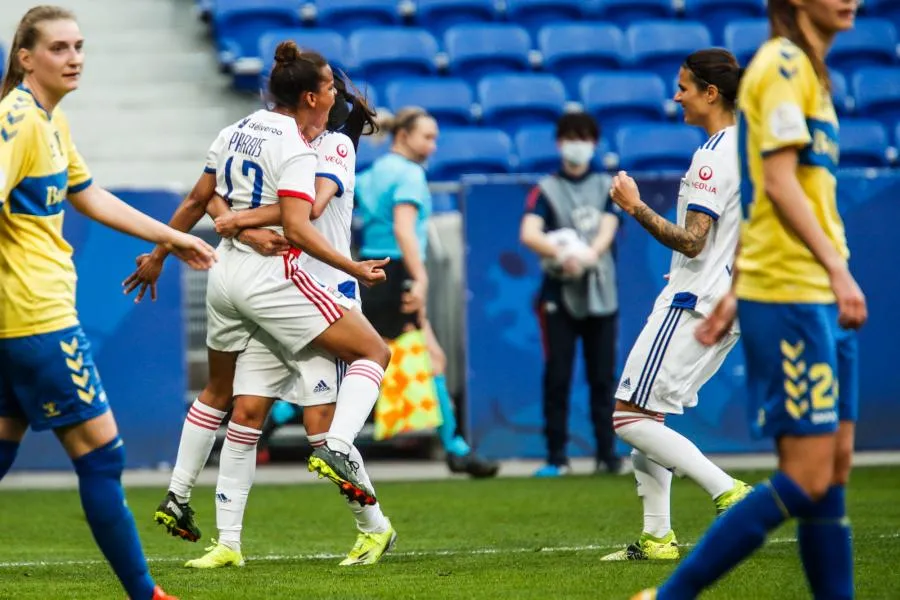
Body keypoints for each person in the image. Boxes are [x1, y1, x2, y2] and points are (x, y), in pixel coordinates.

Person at [123, 49, 395, 565]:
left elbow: (307, 210)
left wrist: (233, 222)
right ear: (310, 96)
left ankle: (373, 526)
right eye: (330, 89)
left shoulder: (334, 146)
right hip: (277, 288)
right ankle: (227, 543)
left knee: (321, 432)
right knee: (246, 411)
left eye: (334, 91)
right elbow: (216, 196)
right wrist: (233, 221)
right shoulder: (279, 138)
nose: (334, 97)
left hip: (323, 290)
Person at [633, 1, 866, 598]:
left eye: (685, 88)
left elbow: (759, 206)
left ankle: (698, 517)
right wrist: (817, 274)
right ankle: (669, 578)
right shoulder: (781, 68)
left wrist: (737, 285)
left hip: (793, 289)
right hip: (791, 291)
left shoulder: (804, 76)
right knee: (811, 474)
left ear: (710, 92)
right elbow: (775, 192)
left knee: (827, 475)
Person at [0, 7, 218, 600]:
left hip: (16, 326)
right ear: (26, 57)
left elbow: (89, 194)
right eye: (59, 48)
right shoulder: (16, 121)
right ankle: (146, 594)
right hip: (38, 321)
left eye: (79, 46)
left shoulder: (50, 121)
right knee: (102, 457)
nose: (75, 57)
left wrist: (170, 237)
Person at [600, 49, 752, 562]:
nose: (675, 96)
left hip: (693, 301)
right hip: (722, 297)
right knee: (649, 417)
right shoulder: (748, 149)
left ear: (711, 93)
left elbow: (692, 241)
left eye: (684, 87)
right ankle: (658, 537)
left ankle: (729, 493)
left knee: (628, 418)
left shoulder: (711, 156)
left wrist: (633, 205)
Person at [355, 107, 498, 478]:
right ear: (403, 135)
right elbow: (404, 229)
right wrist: (421, 278)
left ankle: (456, 448)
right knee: (427, 359)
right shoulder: (409, 175)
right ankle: (457, 450)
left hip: (370, 269)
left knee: (371, 363)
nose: (434, 146)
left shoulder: (371, 174)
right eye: (428, 137)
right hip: (398, 271)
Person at [519, 112, 622, 477]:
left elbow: (610, 226)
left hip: (600, 292)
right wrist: (561, 253)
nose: (578, 145)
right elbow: (529, 233)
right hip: (559, 292)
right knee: (558, 374)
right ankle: (557, 456)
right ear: (560, 143)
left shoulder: (607, 185)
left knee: (603, 377)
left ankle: (608, 455)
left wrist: (589, 254)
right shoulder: (546, 189)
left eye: (585, 138)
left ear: (594, 143)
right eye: (571, 137)